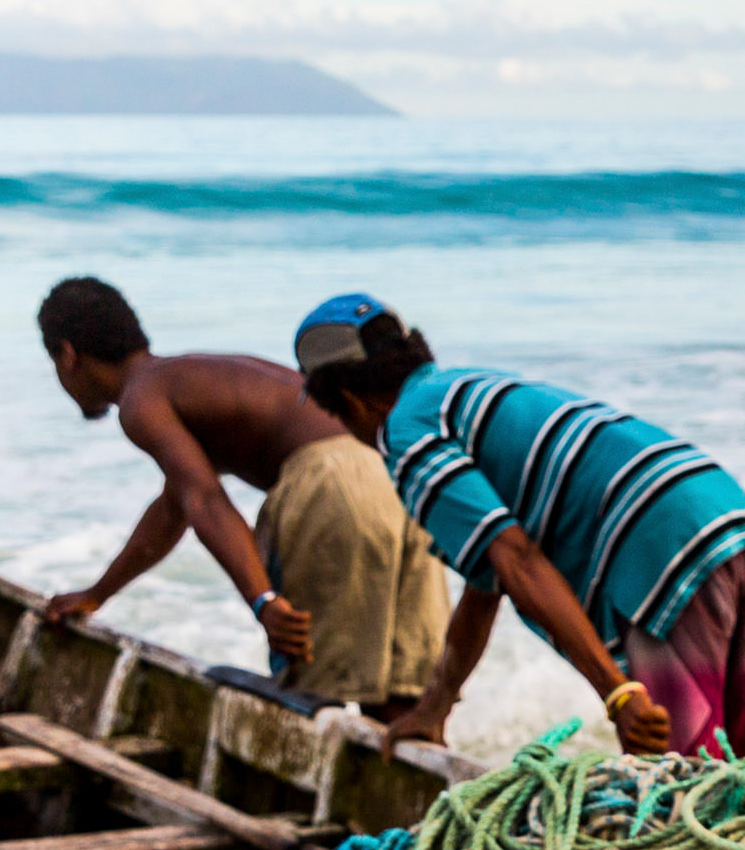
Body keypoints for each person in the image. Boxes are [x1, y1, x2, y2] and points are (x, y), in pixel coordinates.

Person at [290, 294, 745, 757]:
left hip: (659, 536)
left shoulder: (406, 430)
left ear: (352, 403)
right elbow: (486, 586)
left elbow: (516, 559)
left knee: (682, 781)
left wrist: (618, 696)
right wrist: (433, 708)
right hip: (725, 512)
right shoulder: (463, 389)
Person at [33, 277, 447, 714]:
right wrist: (98, 593)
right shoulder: (199, 376)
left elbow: (206, 502)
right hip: (396, 472)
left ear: (68, 355)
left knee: (316, 695)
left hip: (333, 481)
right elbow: (174, 509)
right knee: (405, 697)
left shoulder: (142, 398)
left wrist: (263, 600)